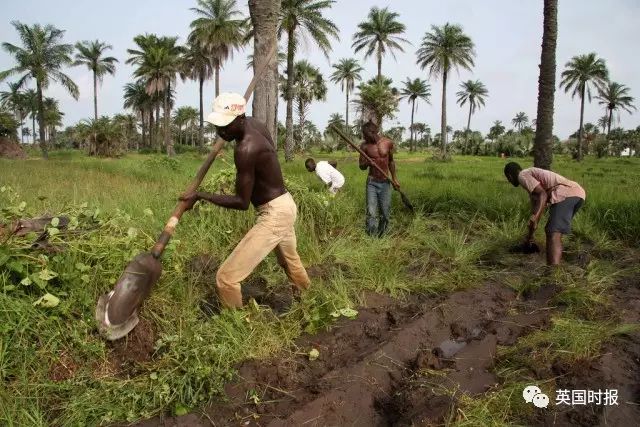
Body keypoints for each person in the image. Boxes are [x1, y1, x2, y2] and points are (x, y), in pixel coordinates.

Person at [180, 92, 310, 308]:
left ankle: (236, 325)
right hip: (285, 204)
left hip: (274, 213)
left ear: (240, 118)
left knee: (226, 279)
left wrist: (200, 195)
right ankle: (310, 300)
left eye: (225, 126)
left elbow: (241, 202)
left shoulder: (246, 149)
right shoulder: (255, 124)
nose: (220, 132)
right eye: (217, 126)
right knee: (290, 262)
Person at [504, 162, 586, 265]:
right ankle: (563, 261)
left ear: (510, 175)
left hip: (567, 193)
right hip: (576, 194)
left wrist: (535, 216)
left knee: (553, 231)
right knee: (554, 230)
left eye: (508, 178)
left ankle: (552, 274)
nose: (508, 180)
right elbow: (535, 216)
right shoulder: (532, 187)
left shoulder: (522, 175)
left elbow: (543, 195)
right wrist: (529, 238)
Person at [358, 121, 400, 237]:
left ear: (373, 132)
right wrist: (367, 162)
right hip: (372, 182)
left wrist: (394, 179)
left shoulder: (388, 143)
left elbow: (391, 161)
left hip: (385, 183)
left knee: (385, 213)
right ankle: (372, 237)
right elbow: (361, 166)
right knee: (371, 212)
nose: (364, 136)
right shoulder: (364, 146)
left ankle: (382, 236)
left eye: (365, 134)